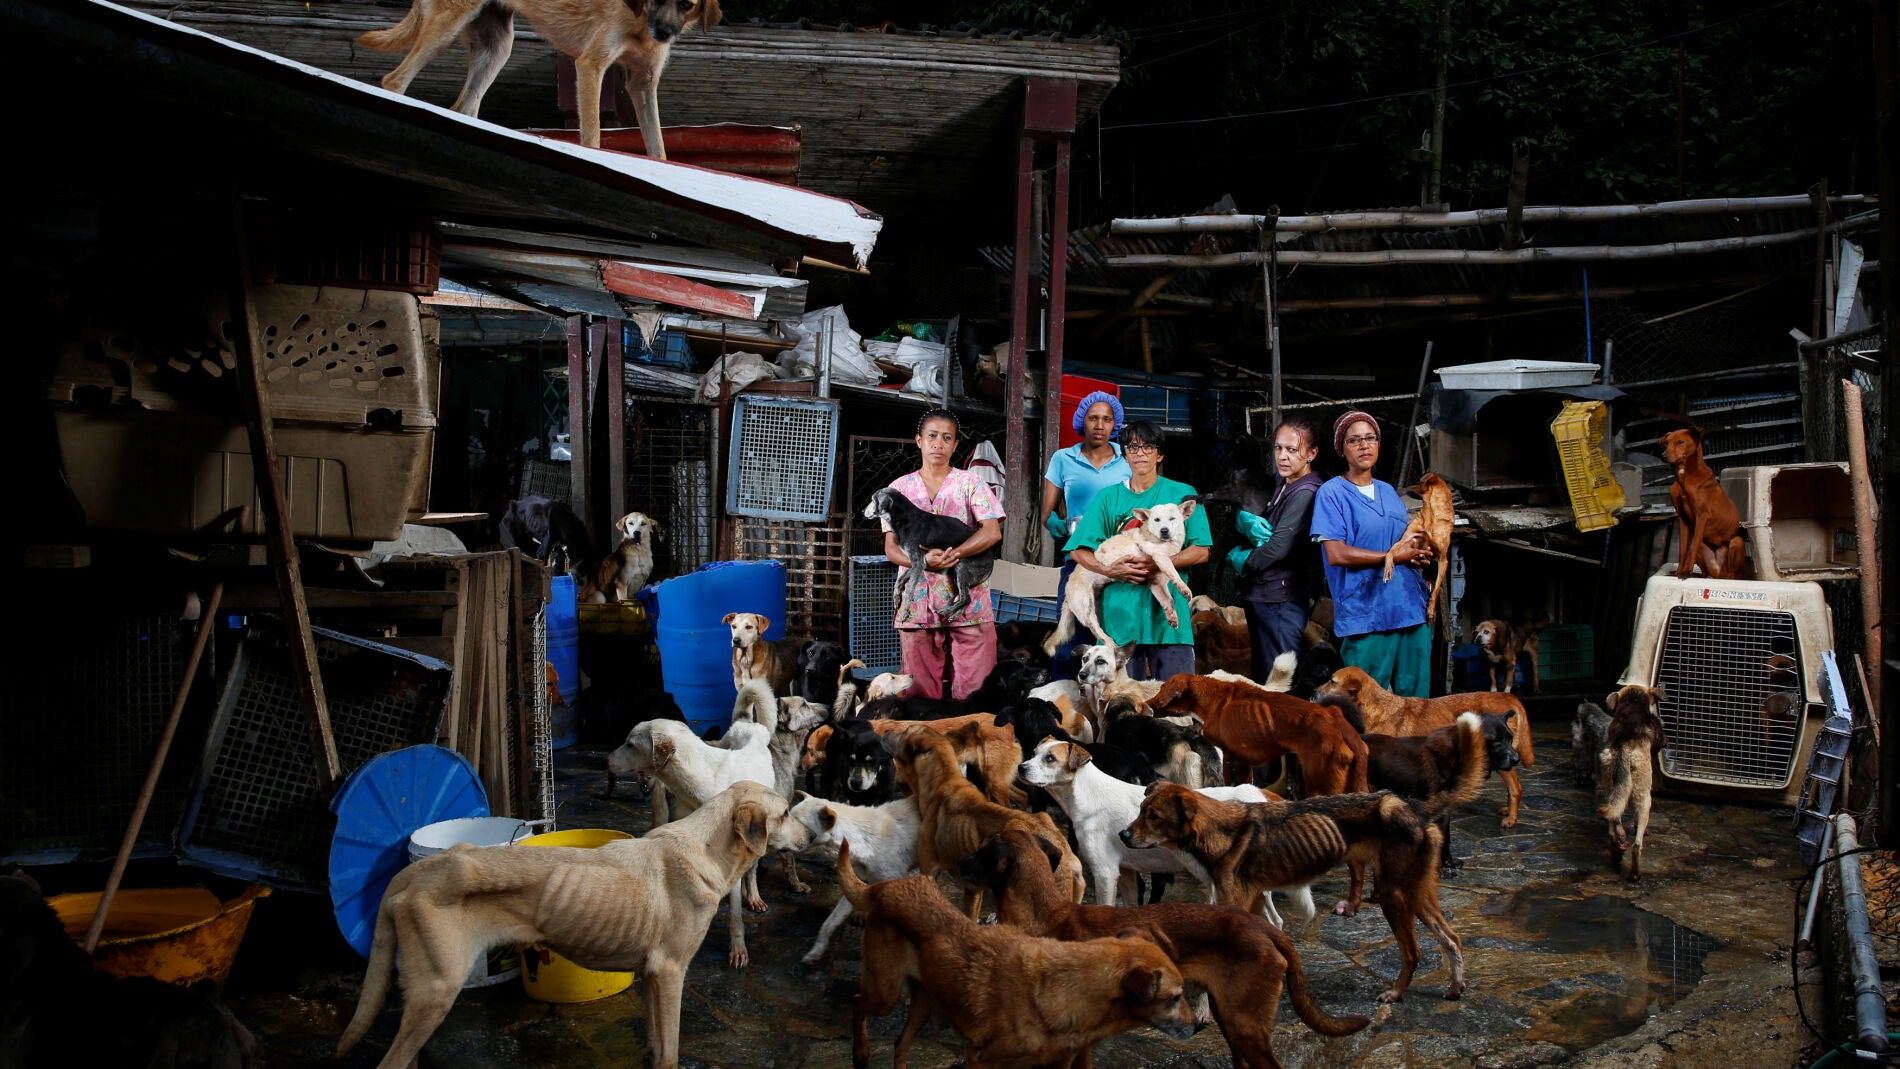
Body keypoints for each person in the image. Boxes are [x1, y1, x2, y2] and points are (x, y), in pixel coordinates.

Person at [1064, 420, 1212, 682]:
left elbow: (1201, 550)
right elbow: (1078, 551)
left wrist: (1160, 562)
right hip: (1118, 623)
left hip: (1168, 627)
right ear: (1124, 454)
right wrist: (1109, 568)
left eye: (1148, 447)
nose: (1140, 453)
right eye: (1132, 447)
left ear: (1160, 454)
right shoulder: (1108, 497)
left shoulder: (1182, 494)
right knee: (1123, 709)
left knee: (1176, 706)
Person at [879, 408, 1005, 700]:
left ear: (955, 445)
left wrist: (954, 554)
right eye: (932, 436)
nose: (939, 443)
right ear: (919, 441)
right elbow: (891, 547)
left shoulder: (971, 483)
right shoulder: (897, 489)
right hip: (919, 600)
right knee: (917, 690)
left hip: (967, 600)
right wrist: (922, 561)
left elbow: (991, 532)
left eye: (947, 438)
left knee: (977, 689)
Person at [1308, 409, 1436, 697]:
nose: (1364, 445)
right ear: (1341, 448)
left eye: (1370, 438)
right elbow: (1336, 554)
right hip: (1367, 614)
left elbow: (1397, 545)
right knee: (1363, 705)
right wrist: (1394, 557)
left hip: (1409, 608)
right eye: (1354, 440)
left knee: (1416, 705)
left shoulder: (1389, 492)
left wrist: (1414, 557)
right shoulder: (1332, 493)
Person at [1039, 391, 1132, 679]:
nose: (1100, 425)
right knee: (1069, 637)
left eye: (1107, 419)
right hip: (1078, 561)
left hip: (1117, 564)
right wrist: (1053, 521)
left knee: (1112, 637)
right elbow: (1047, 512)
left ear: (1115, 424)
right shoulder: (1062, 459)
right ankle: (1064, 703)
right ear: (1083, 421)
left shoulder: (1127, 460)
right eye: (1093, 418)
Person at [1235, 416, 1326, 680]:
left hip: (1281, 600)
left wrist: (1243, 560)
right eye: (1278, 448)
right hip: (1265, 596)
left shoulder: (1305, 492)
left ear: (1311, 453)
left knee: (1281, 682)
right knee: (1267, 676)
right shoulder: (1284, 482)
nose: (1283, 456)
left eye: (1292, 450)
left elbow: (1278, 548)